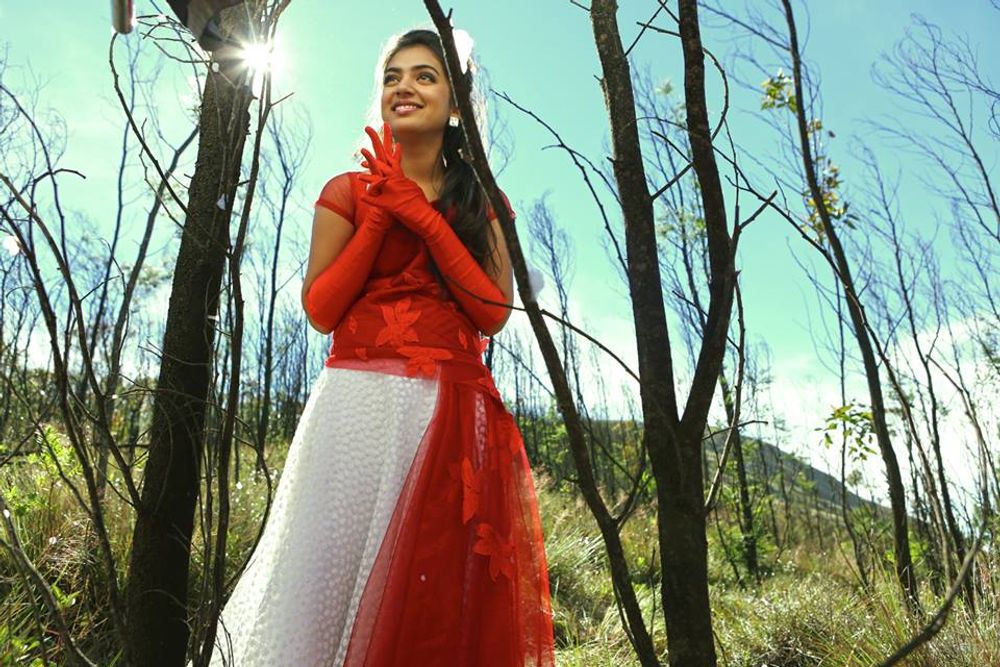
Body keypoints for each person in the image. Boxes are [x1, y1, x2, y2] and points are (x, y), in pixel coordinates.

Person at [202, 27, 555, 666]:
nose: (403, 87)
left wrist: (424, 219)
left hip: (452, 410)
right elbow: (321, 309)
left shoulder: (482, 199)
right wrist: (382, 217)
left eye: (424, 76)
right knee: (329, 573)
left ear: (456, 104)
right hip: (356, 405)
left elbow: (492, 311)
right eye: (393, 77)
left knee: (434, 594)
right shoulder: (346, 191)